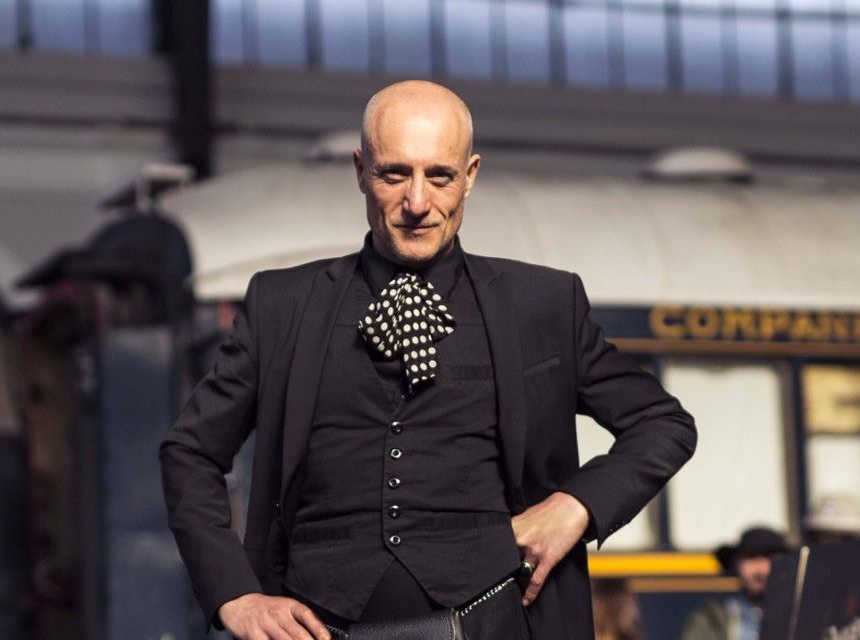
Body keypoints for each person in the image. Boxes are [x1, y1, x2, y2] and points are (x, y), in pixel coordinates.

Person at [159, 80, 697, 640]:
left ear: (470, 176)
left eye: (439, 177)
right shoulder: (281, 305)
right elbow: (189, 452)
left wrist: (575, 505)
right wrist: (235, 596)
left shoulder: (542, 305)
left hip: (500, 624)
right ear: (360, 170)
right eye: (394, 174)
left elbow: (663, 423)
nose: (417, 204)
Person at [680, 527, 789, 640]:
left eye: (769, 558)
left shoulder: (796, 616)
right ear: (735, 563)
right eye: (751, 557)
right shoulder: (710, 621)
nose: (760, 569)